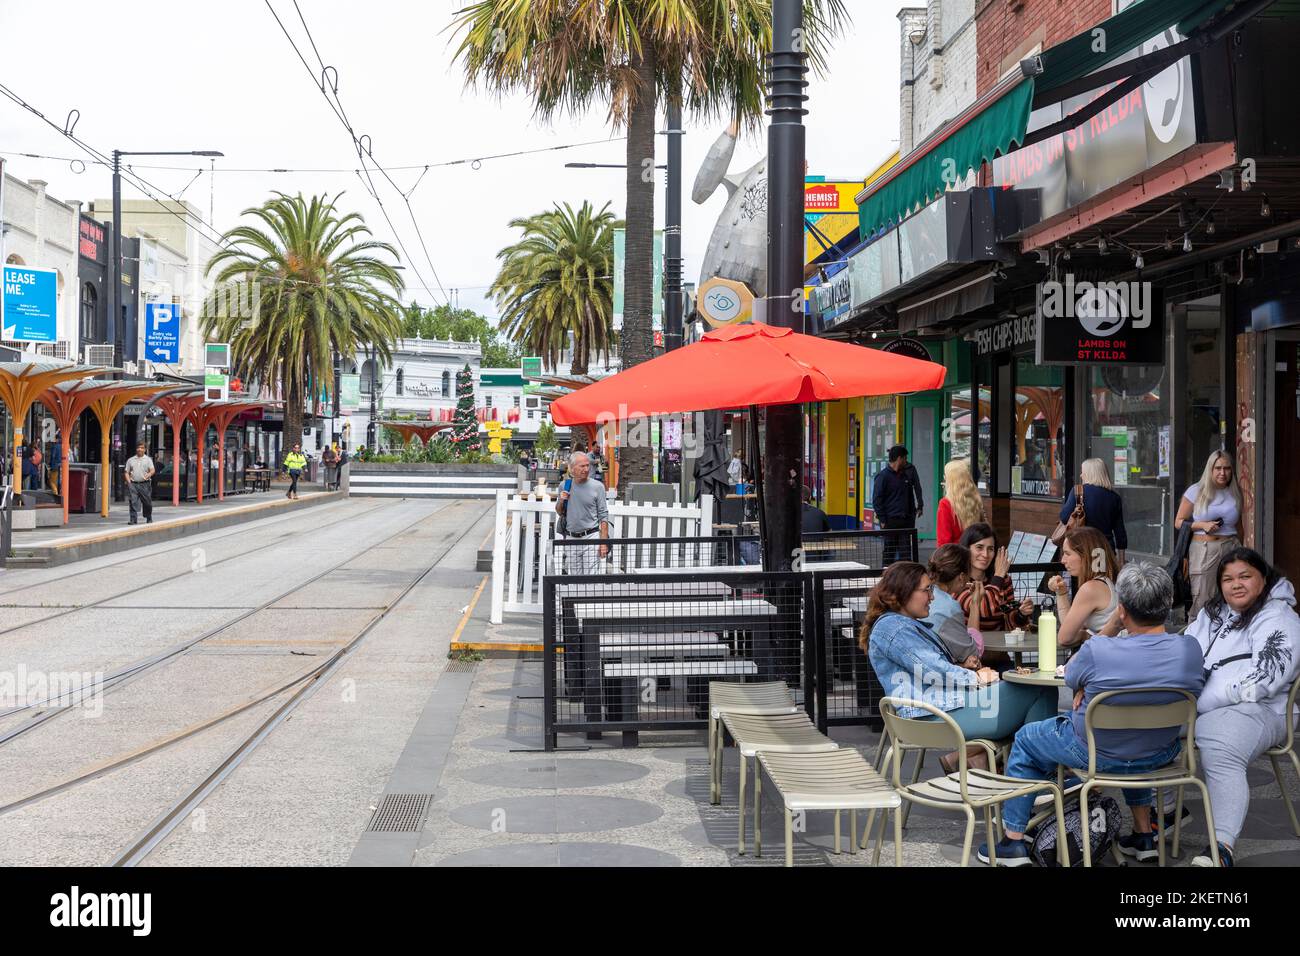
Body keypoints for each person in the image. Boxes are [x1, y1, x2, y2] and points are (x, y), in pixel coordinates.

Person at [979, 563, 1206, 866]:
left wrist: (1111, 628)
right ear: (1167, 605)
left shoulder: (1099, 650)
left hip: (1096, 753)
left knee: (1026, 738)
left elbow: (1071, 675)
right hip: (1158, 754)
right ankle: (1144, 836)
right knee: (1135, 735)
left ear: (1122, 609)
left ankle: (1014, 840)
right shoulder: (1189, 648)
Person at [864, 561, 1057, 773]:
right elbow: (932, 669)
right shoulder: (895, 627)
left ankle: (1019, 771)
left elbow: (925, 667)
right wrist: (976, 678)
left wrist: (962, 667)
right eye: (927, 590)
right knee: (1040, 689)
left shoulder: (897, 624)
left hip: (938, 711)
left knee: (1033, 698)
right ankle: (1034, 777)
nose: (932, 597)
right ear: (903, 591)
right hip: (936, 717)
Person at [1185, 548, 1300, 867]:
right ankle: (1163, 816)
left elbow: (1265, 679)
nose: (1236, 584)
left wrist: (1201, 702)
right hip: (1201, 705)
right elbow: (1186, 652)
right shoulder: (1212, 614)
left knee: (1220, 745)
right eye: (1227, 578)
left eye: (1245, 576)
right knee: (1145, 723)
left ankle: (1221, 847)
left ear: (1264, 579)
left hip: (1263, 708)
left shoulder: (1279, 617)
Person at [1175, 449, 1243, 620]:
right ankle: (1195, 641)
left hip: (1232, 546)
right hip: (1204, 549)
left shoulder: (1235, 491)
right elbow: (1178, 522)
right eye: (1218, 468)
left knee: (1233, 596)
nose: (1222, 473)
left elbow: (1240, 525)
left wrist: (1245, 550)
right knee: (1202, 599)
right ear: (1210, 469)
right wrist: (1202, 525)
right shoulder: (1196, 490)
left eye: (1227, 468)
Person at [1047, 526, 1120, 649]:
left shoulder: (1090, 589)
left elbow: (1064, 638)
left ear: (1086, 555)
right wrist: (1062, 593)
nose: (1063, 560)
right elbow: (1069, 627)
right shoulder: (1106, 581)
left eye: (1067, 553)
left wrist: (1084, 636)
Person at [958, 523, 1034, 632]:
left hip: (998, 646)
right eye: (979, 547)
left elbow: (1009, 618)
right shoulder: (959, 579)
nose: (985, 554)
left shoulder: (1003, 579)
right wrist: (998, 576)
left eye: (990, 549)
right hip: (970, 647)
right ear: (966, 548)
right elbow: (984, 609)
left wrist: (1021, 614)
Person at [920, 544, 983, 666]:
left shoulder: (923, 593)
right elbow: (973, 653)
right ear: (961, 577)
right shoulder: (949, 607)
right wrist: (975, 604)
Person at [1059, 458, 1128, 563]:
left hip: (1082, 548)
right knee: (1102, 579)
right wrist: (1121, 560)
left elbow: (1064, 518)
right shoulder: (1115, 497)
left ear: (1090, 473)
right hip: (1105, 550)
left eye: (1083, 472)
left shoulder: (1078, 492)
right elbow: (1120, 533)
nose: (1081, 475)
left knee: (1084, 579)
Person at [556, 451, 609, 574]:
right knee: (575, 578)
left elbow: (603, 516)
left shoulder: (598, 487)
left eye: (587, 465)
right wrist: (561, 501)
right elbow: (560, 512)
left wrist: (603, 543)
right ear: (572, 469)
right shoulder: (564, 486)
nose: (586, 469)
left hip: (591, 537)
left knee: (591, 579)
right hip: (571, 537)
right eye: (582, 466)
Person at [872, 444, 923, 564]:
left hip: (906, 521)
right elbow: (877, 500)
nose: (906, 461)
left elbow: (913, 492)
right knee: (890, 552)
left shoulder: (906, 475)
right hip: (890, 521)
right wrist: (883, 520)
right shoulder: (883, 476)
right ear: (899, 458)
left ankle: (906, 579)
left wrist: (914, 511)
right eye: (905, 458)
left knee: (906, 554)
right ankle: (887, 577)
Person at [936, 458, 983, 547]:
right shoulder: (975, 501)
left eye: (945, 476)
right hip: (974, 553)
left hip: (956, 556)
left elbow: (943, 542)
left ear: (951, 480)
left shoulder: (945, 504)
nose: (944, 480)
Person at [123, 442, 155, 525]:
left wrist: (148, 475)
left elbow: (152, 470)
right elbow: (126, 472)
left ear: (145, 449)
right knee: (132, 501)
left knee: (147, 502)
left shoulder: (148, 460)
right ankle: (133, 519)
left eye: (141, 448)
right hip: (133, 484)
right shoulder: (130, 460)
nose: (139, 449)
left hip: (145, 484)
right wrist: (129, 482)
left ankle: (148, 517)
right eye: (138, 448)